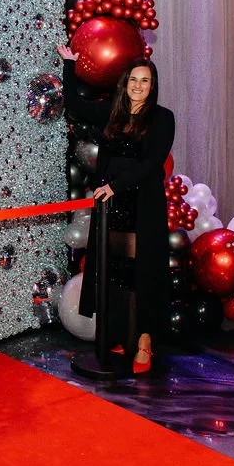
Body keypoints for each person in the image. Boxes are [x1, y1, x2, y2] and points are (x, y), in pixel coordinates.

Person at [57, 46, 175, 374]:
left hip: (143, 206)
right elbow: (75, 104)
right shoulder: (113, 112)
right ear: (125, 83)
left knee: (142, 275)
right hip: (112, 207)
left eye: (145, 80)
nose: (138, 85)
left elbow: (153, 163)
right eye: (133, 79)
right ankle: (123, 333)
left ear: (153, 86)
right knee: (116, 273)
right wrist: (69, 65)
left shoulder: (163, 118)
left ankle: (145, 342)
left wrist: (116, 186)